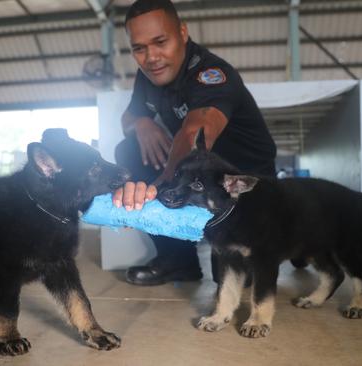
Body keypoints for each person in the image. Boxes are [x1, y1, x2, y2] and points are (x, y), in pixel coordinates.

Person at [113, 0, 277, 286]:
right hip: (201, 172)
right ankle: (178, 261)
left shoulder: (213, 75)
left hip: (246, 178)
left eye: (160, 41)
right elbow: (129, 116)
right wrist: (142, 124)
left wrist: (161, 186)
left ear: (183, 33)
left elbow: (193, 136)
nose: (151, 57)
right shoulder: (147, 76)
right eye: (139, 48)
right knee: (127, 150)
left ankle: (288, 238)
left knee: (231, 277)